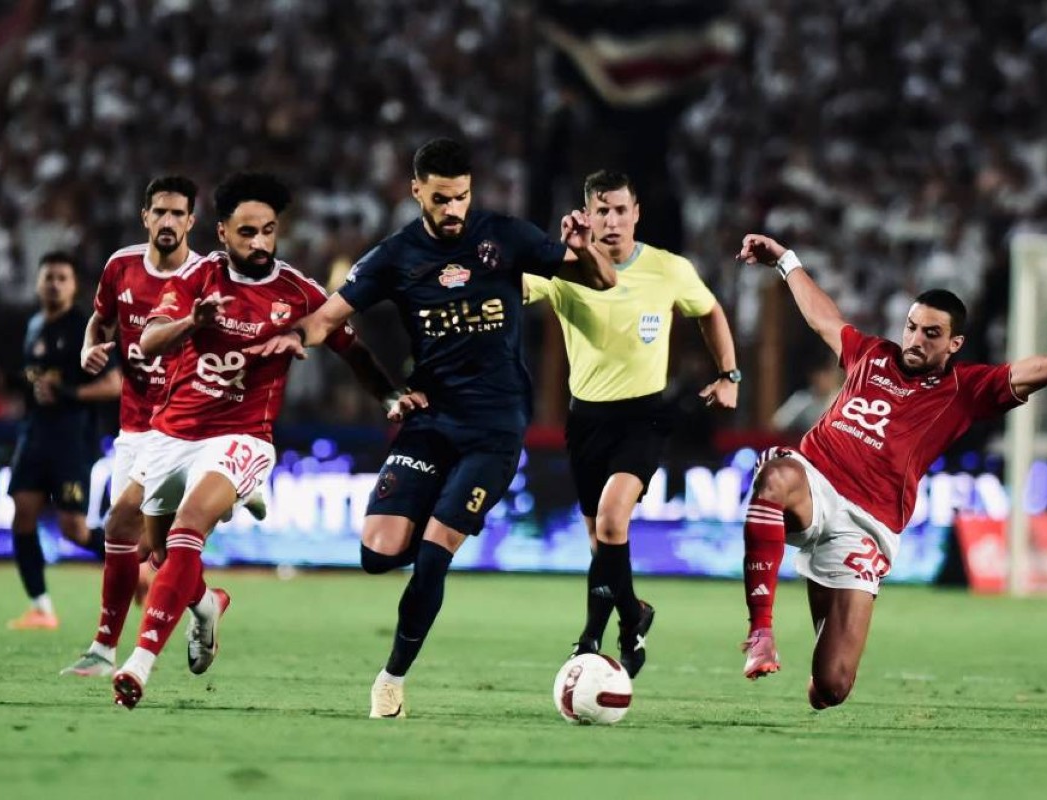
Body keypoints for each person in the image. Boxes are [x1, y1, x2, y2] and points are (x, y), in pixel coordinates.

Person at [248, 137, 616, 718]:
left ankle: (390, 680)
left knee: (435, 553)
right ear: (416, 190)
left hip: (495, 428)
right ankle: (435, 517)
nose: (453, 209)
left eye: (461, 197)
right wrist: (295, 336)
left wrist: (584, 248)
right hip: (430, 419)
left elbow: (603, 281)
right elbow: (328, 317)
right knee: (378, 552)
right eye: (441, 198)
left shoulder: (504, 236)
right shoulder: (396, 255)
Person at [734, 233, 1047, 708]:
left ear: (954, 344)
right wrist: (786, 260)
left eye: (931, 333)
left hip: (867, 523)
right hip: (815, 480)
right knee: (775, 476)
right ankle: (761, 632)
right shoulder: (871, 354)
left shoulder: (965, 389)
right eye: (912, 327)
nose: (916, 339)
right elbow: (824, 318)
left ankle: (825, 625)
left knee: (831, 688)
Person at [111, 173, 407, 709]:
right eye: (247, 232)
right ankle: (206, 604)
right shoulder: (197, 276)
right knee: (159, 552)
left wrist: (389, 397)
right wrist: (191, 322)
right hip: (173, 433)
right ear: (223, 232)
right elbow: (148, 341)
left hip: (243, 435)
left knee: (188, 526)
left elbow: (352, 348)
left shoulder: (298, 292)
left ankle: (139, 664)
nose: (259, 242)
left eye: (268, 230)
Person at [524, 169, 739, 677]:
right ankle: (633, 612)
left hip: (642, 416)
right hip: (585, 419)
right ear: (587, 215)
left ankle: (591, 639)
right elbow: (513, 287)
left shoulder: (668, 269)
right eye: (602, 210)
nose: (613, 220)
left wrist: (729, 374)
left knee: (611, 520)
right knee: (601, 544)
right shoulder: (563, 269)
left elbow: (709, 311)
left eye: (621, 210)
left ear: (636, 213)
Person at [61, 175, 203, 676]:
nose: (168, 221)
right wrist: (88, 348)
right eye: (159, 211)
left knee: (129, 529)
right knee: (143, 546)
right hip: (134, 426)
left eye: (177, 213)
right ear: (145, 216)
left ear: (191, 221)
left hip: (183, 428)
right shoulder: (120, 266)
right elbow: (99, 320)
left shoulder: (205, 276)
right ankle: (207, 603)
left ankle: (105, 650)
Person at [5, 252, 122, 630]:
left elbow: (114, 384)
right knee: (23, 512)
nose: (54, 284)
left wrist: (68, 393)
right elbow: (36, 380)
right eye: (49, 277)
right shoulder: (34, 325)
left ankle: (136, 567)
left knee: (74, 529)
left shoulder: (84, 329)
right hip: (34, 435)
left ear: (74, 286)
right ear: (38, 283)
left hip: (72, 439)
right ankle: (41, 608)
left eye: (62, 278)